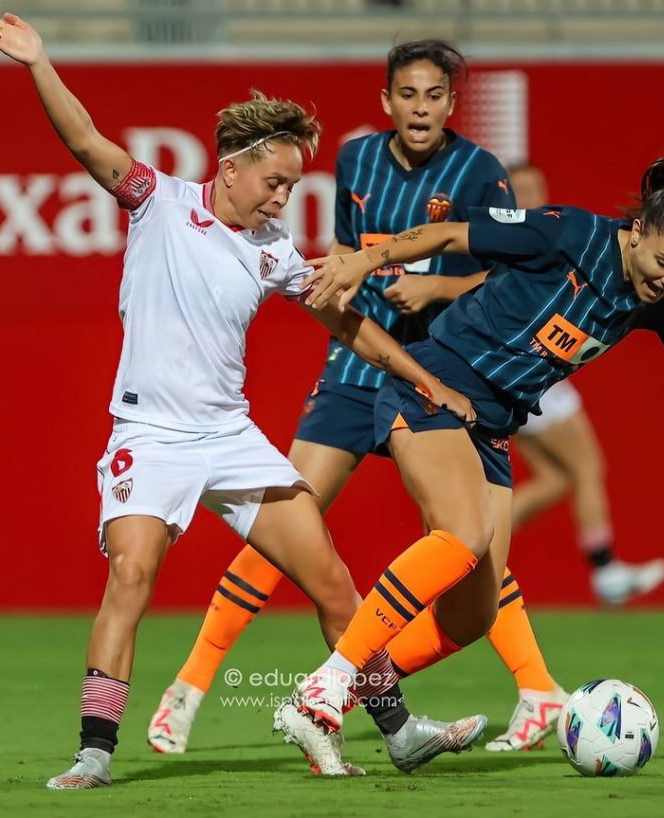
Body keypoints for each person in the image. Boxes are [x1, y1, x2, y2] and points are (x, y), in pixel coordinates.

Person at [0, 7, 488, 788]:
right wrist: (37, 60)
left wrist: (427, 381)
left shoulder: (273, 251)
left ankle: (400, 729)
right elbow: (85, 140)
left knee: (332, 583)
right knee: (131, 576)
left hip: (229, 439)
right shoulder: (156, 199)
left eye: (293, 184)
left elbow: (351, 328)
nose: (283, 198)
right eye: (275, 181)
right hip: (148, 435)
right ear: (231, 166)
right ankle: (93, 754)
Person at [285, 152, 664, 757]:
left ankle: (322, 703)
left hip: (493, 425)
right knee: (462, 533)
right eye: (662, 261)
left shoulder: (658, 300)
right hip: (434, 384)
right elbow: (452, 233)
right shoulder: (567, 231)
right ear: (637, 232)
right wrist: (364, 258)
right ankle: (332, 678)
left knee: (472, 618)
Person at [147, 40, 568, 759]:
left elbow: (510, 280)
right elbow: (347, 253)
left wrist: (436, 288)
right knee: (284, 511)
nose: (421, 109)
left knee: (465, 541)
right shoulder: (357, 161)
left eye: (434, 96)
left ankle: (534, 686)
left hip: (441, 371)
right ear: (387, 100)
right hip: (355, 366)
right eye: (408, 95)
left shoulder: (481, 173)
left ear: (450, 104)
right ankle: (186, 689)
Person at [507, 163, 664, 607]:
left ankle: (474, 539)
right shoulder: (520, 239)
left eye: (538, 187)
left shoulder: (549, 233)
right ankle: (605, 570)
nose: (535, 197)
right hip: (537, 370)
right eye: (523, 190)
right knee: (587, 467)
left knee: (557, 478)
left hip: (527, 372)